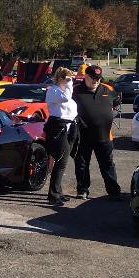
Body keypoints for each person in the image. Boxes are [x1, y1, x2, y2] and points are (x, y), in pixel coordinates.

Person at [72, 64, 123, 201]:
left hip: (104, 136)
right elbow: (66, 109)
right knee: (82, 165)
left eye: (98, 78)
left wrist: (111, 114)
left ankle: (113, 191)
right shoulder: (75, 91)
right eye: (93, 78)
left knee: (107, 164)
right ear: (86, 77)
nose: (96, 81)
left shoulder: (108, 89)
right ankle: (82, 190)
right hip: (82, 136)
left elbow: (117, 102)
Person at [44, 67, 77, 205]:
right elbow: (66, 98)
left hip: (69, 126)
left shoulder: (64, 91)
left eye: (72, 79)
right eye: (68, 79)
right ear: (61, 79)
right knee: (61, 161)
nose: (71, 82)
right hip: (58, 127)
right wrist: (69, 84)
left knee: (63, 160)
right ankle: (53, 194)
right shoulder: (53, 91)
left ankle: (58, 191)